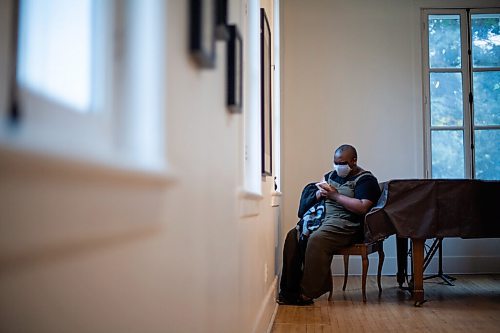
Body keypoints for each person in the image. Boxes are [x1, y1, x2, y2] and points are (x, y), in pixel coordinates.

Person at [278, 144, 381, 305]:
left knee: (318, 239)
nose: (338, 166)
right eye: (335, 162)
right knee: (293, 235)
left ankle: (308, 293)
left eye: (342, 163)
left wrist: (336, 196)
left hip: (347, 223)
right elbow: (318, 194)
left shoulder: (366, 180)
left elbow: (362, 207)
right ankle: (290, 290)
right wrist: (319, 193)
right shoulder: (330, 175)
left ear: (353, 161)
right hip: (323, 217)